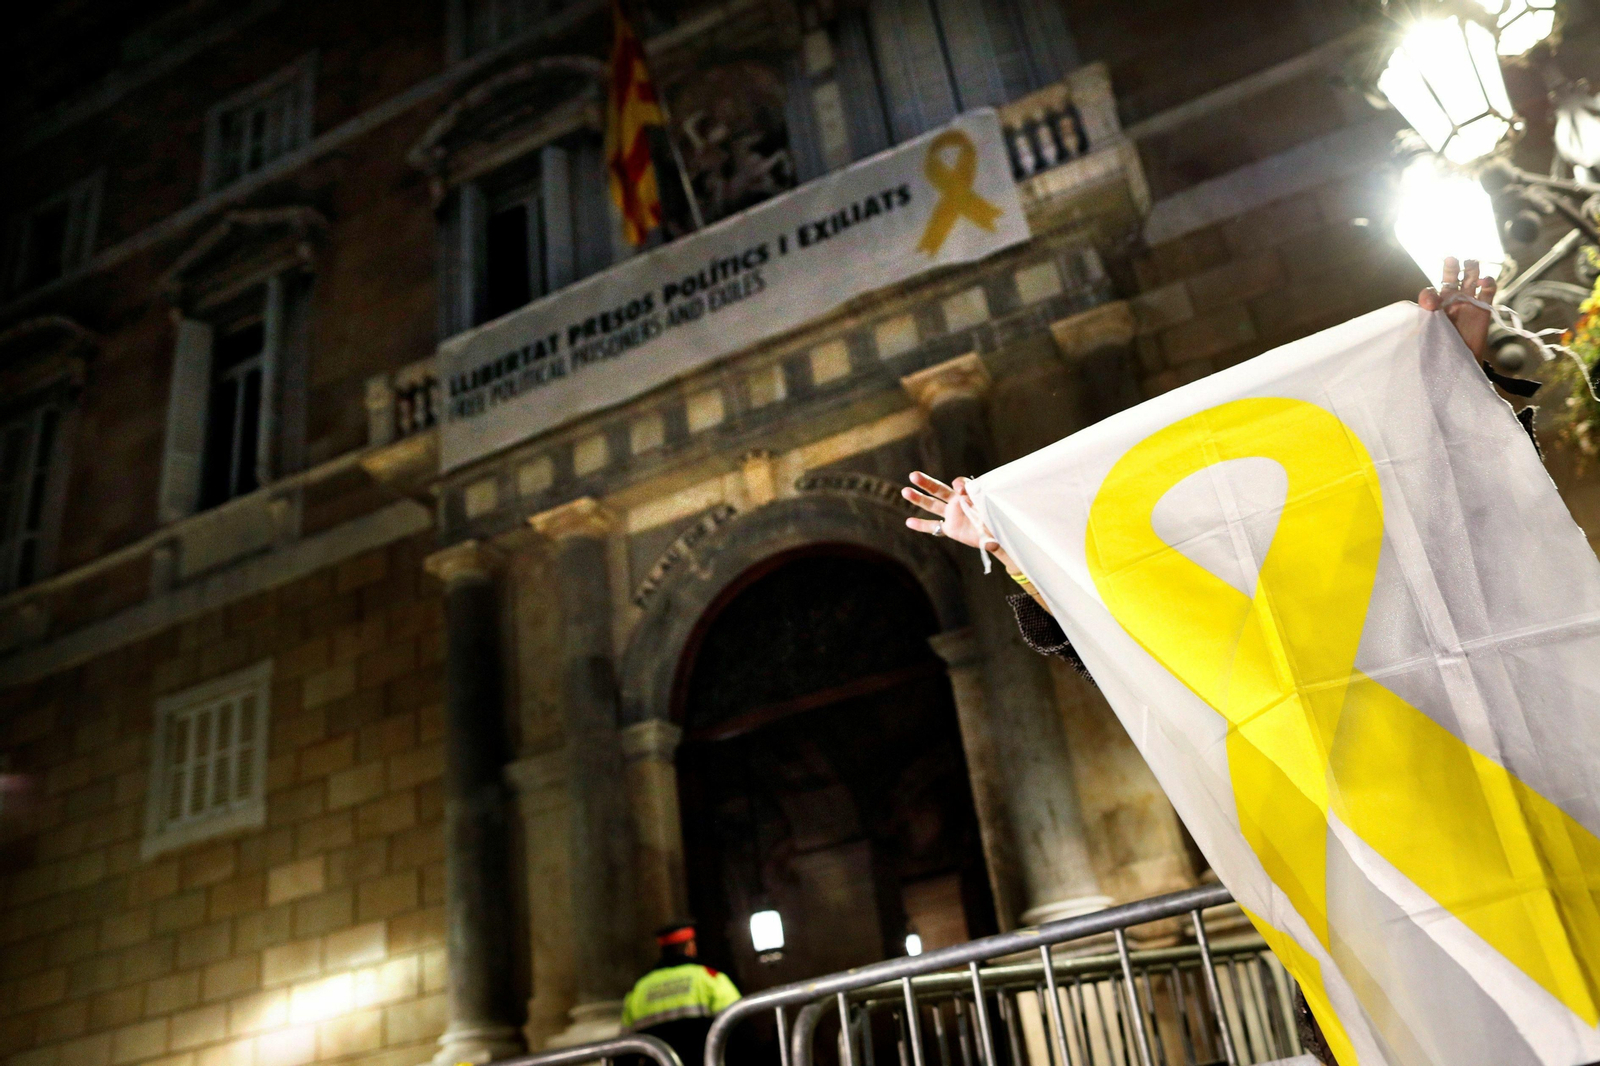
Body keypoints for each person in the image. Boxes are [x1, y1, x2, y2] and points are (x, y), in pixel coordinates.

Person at [899, 257, 1500, 1066]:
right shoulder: (1217, 649)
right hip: (1361, 930)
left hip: (1488, 856)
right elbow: (1114, 644)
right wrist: (1014, 550)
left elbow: (1470, 531)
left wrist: (1461, 382)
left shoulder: (1381, 586)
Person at [621, 920, 742, 1066]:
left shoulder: (639, 989)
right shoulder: (709, 978)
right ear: (690, 946)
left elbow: (625, 1048)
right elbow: (738, 1025)